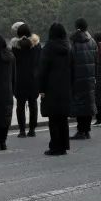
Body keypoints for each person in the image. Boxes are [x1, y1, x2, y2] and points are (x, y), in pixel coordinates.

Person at [39, 22, 73, 156]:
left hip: (51, 87)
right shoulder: (69, 47)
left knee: (53, 118)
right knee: (63, 118)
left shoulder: (48, 48)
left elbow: (43, 70)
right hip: (65, 87)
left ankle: (55, 146)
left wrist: (41, 88)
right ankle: (64, 145)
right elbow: (73, 68)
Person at [10, 22, 41, 137]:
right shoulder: (37, 46)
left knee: (20, 105)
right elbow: (40, 62)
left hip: (19, 79)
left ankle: (22, 130)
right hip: (33, 78)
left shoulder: (15, 47)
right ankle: (32, 130)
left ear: (18, 33)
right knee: (33, 105)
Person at [70, 18, 97, 139]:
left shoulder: (74, 42)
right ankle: (87, 130)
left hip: (77, 76)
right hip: (90, 76)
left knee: (79, 104)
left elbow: (70, 60)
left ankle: (81, 130)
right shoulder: (92, 41)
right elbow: (96, 59)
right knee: (88, 103)